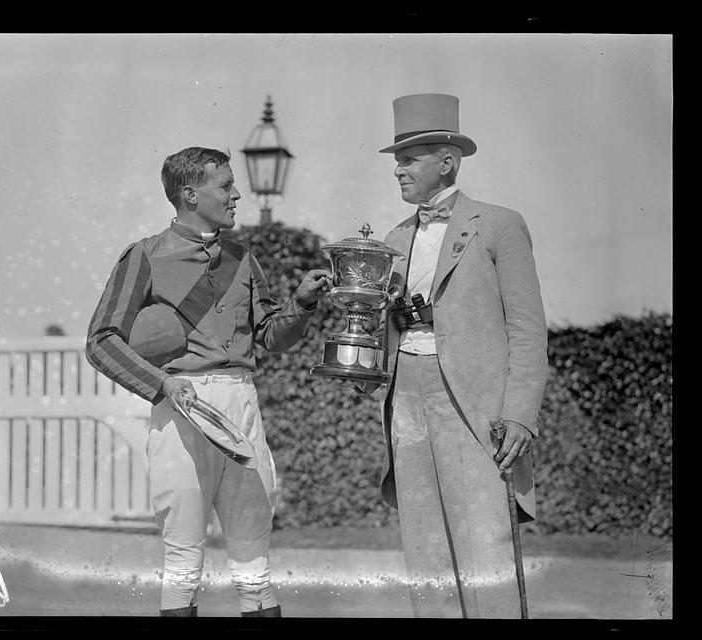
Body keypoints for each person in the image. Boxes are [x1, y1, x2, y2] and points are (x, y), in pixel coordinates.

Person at [86, 146, 330, 617]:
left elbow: (270, 338)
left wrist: (300, 304)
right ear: (189, 193)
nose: (236, 194)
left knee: (253, 561)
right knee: (183, 561)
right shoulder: (145, 256)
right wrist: (161, 385)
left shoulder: (242, 256)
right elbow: (101, 341)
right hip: (181, 407)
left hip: (241, 404)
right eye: (225, 186)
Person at [358, 93, 548, 618]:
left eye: (409, 157)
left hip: (476, 405)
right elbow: (384, 329)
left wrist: (520, 416)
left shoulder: (499, 224)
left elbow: (528, 330)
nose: (398, 169)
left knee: (485, 550)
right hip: (405, 401)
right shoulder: (392, 239)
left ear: (447, 161)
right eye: (397, 158)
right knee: (426, 557)